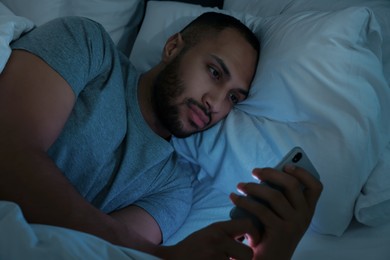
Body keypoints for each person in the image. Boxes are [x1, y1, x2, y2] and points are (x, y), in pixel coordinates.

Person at [0, 12, 322, 259]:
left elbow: (108, 253)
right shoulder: (87, 44)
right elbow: (8, 153)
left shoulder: (174, 189)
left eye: (233, 98)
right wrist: (161, 257)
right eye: (214, 72)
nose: (216, 103)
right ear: (172, 47)